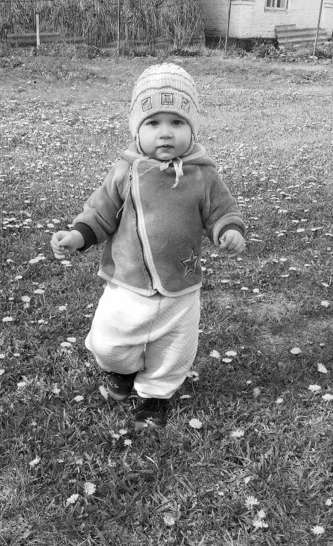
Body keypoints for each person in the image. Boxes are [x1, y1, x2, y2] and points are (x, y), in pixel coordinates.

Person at [50, 64, 246, 430]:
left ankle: (155, 396)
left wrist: (228, 229)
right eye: (154, 123)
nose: (166, 133)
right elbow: (101, 212)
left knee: (174, 348)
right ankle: (122, 372)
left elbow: (223, 209)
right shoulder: (126, 171)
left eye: (177, 122)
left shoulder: (203, 175)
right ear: (137, 129)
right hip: (127, 280)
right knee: (110, 340)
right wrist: (78, 236)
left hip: (179, 284)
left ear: (193, 128)